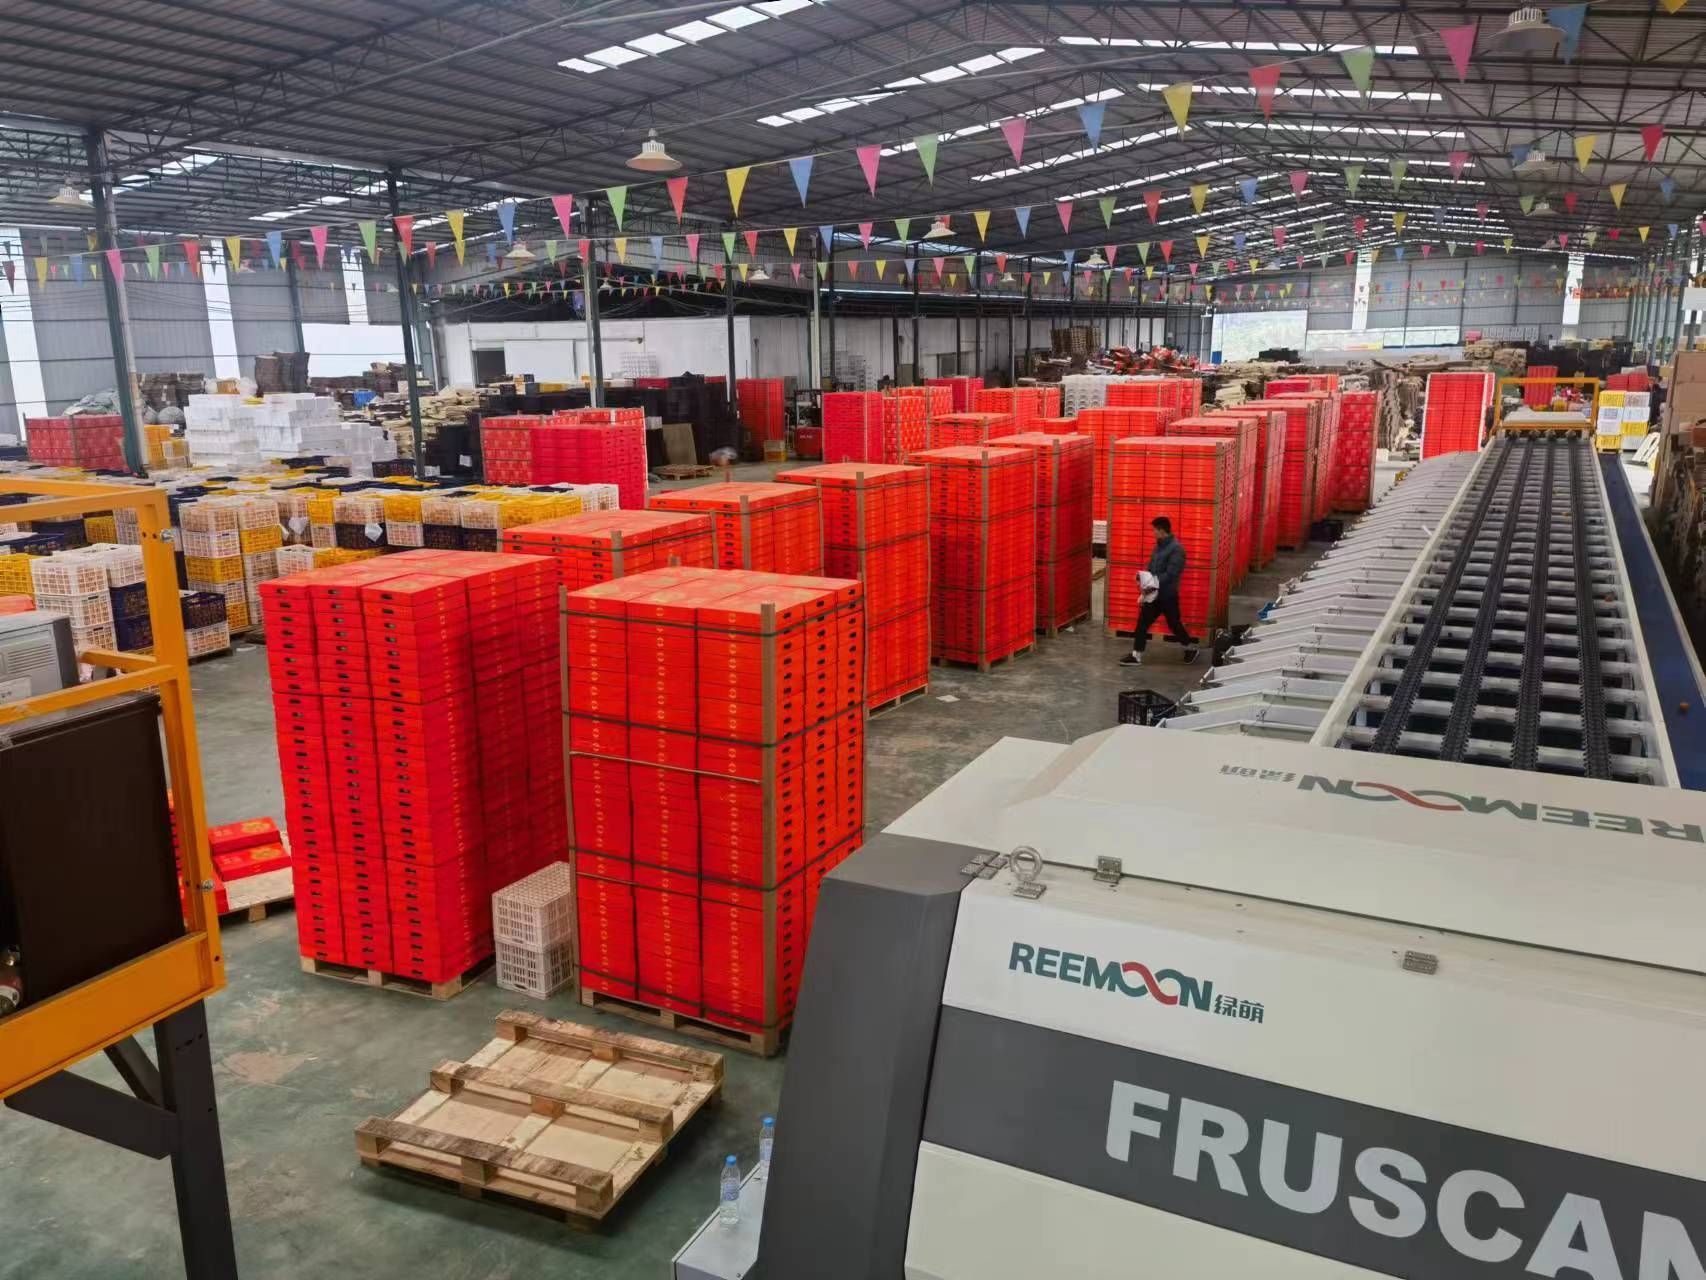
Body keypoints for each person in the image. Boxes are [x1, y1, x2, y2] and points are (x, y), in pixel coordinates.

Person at [1120, 516, 1198, 666]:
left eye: (1154, 530)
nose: (1153, 533)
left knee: (1174, 624)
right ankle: (1136, 655)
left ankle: (1190, 649)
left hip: (1168, 596)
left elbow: (1171, 574)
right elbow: (1151, 567)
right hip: (1153, 596)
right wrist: (1142, 579)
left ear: (1162, 530)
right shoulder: (1157, 548)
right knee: (1142, 623)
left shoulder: (1177, 549)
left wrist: (1152, 584)